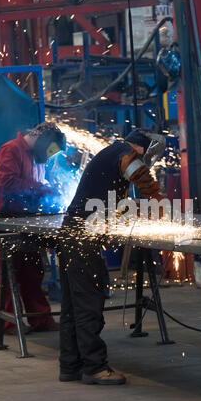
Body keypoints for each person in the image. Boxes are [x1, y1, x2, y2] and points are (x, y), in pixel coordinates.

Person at [58, 128, 166, 385]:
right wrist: (157, 200)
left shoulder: (110, 153)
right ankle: (95, 368)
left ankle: (70, 367)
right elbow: (139, 173)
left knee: (73, 306)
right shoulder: (126, 155)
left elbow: (112, 204)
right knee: (89, 303)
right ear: (145, 149)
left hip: (71, 233)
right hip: (82, 237)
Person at [0, 122, 66, 335]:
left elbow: (36, 186)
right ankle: (10, 324)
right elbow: (8, 183)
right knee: (7, 274)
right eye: (50, 151)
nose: (49, 157)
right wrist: (41, 189)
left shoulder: (36, 156)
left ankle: (41, 319)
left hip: (27, 221)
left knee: (33, 272)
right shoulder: (11, 149)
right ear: (42, 141)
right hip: (4, 221)